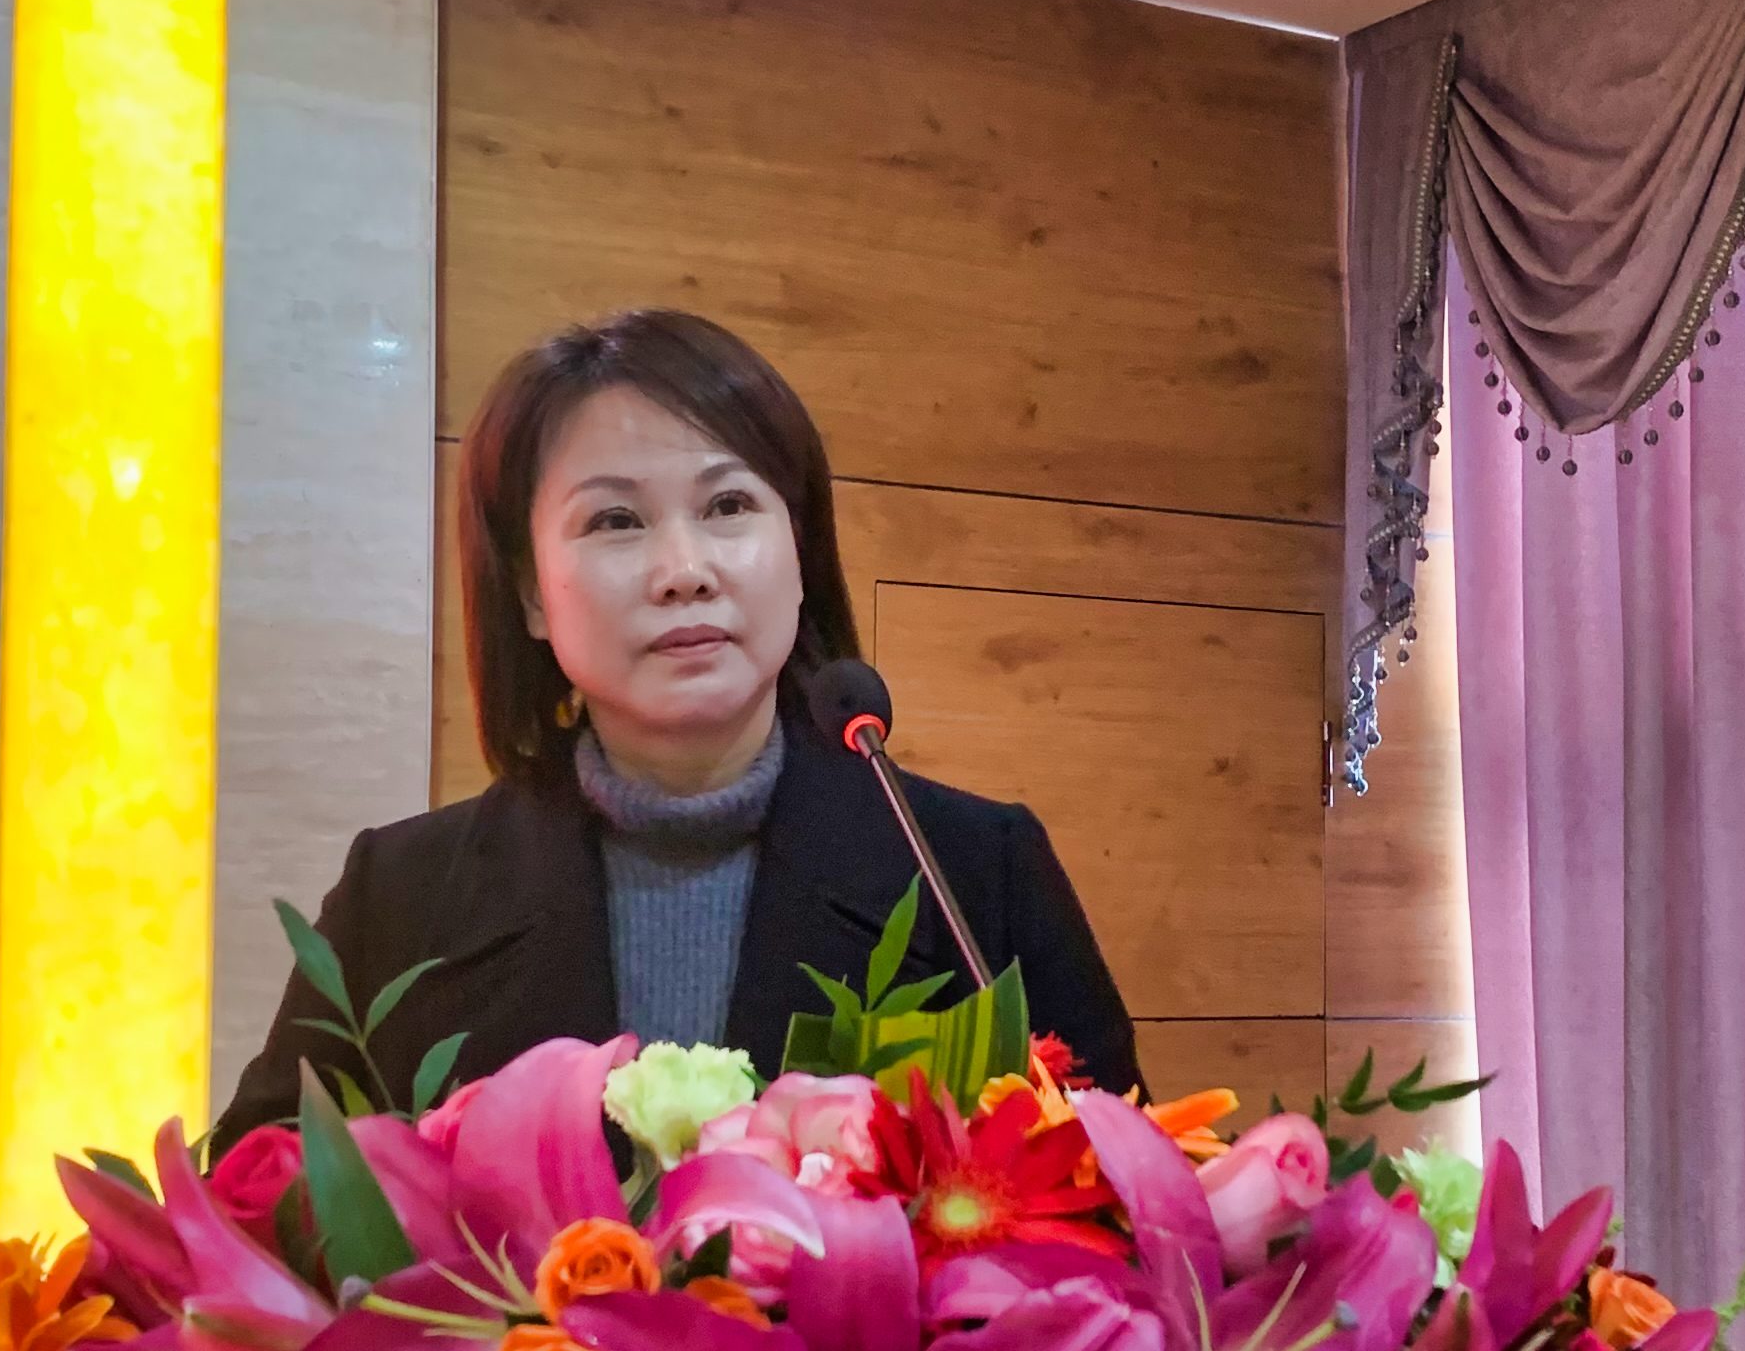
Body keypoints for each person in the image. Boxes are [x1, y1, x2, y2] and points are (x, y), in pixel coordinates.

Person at [209, 308, 1137, 1150]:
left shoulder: (974, 874)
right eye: (616, 520)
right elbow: (262, 1210)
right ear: (530, 593)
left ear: (800, 552)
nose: (684, 570)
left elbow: (1117, 1210)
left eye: (729, 506)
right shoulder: (400, 899)